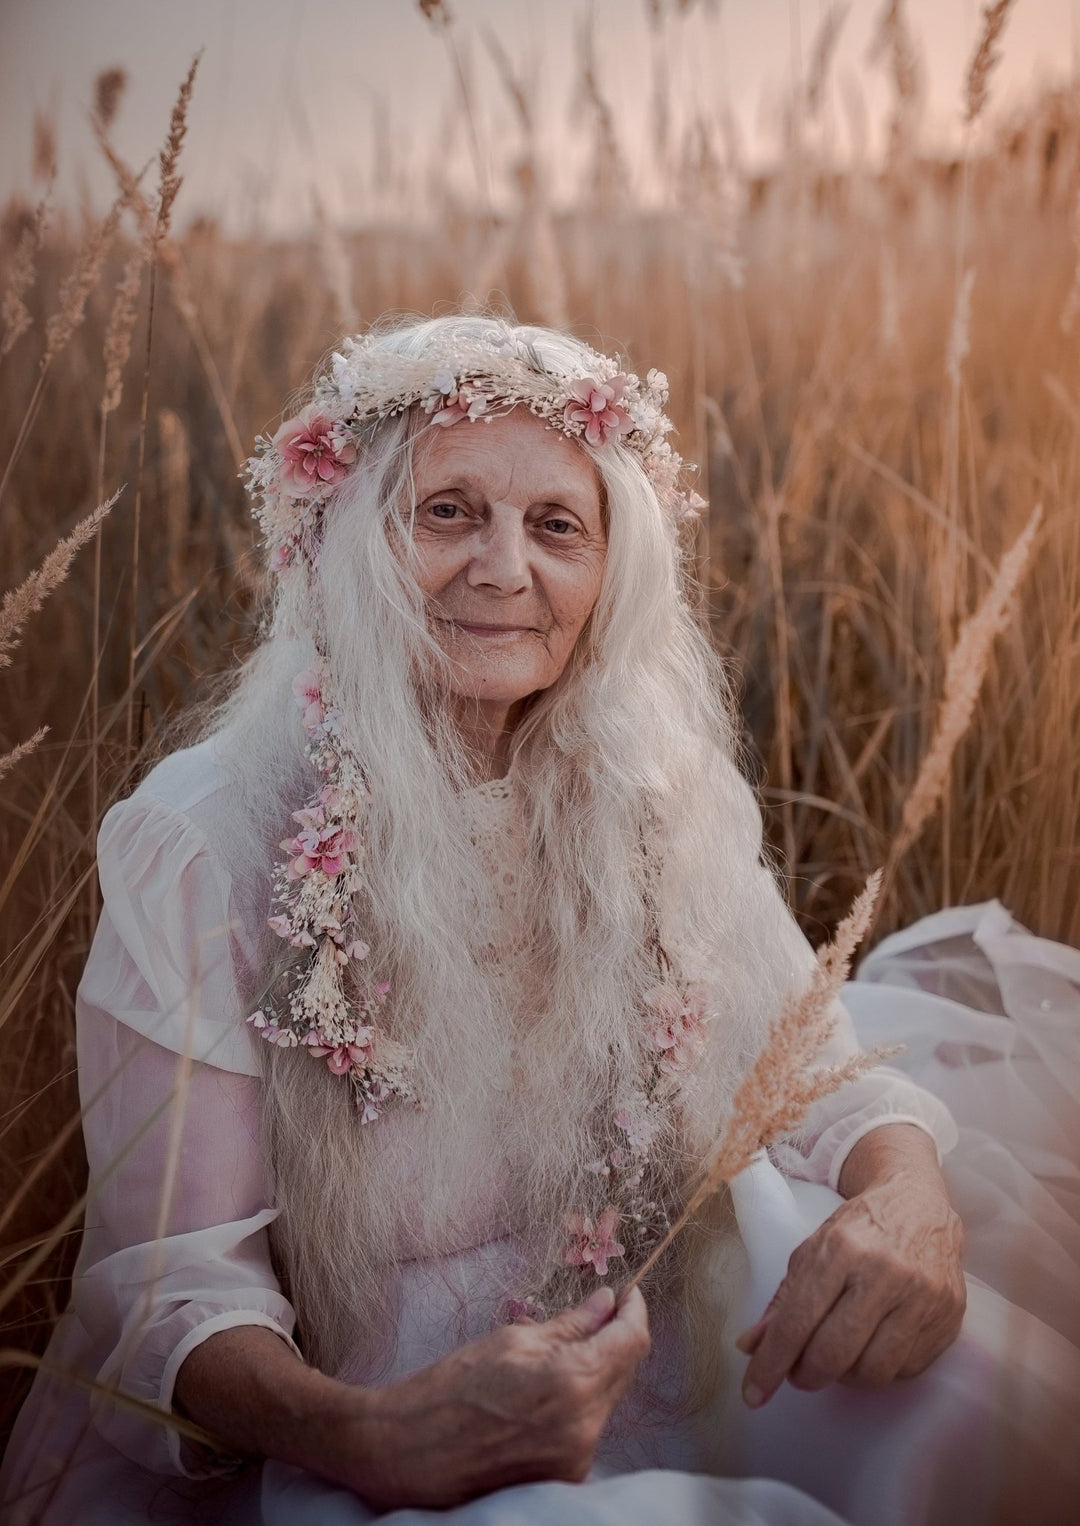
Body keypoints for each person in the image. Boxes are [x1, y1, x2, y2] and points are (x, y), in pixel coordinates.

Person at [2, 314, 1078, 1526]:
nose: (504, 568)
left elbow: (816, 1063)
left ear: (614, 569)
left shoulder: (662, 783)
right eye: (449, 510)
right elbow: (170, 1283)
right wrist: (378, 1436)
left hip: (694, 1292)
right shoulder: (203, 838)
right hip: (364, 1402)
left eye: (556, 525)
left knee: (971, 1404)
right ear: (353, 541)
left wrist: (907, 1200)